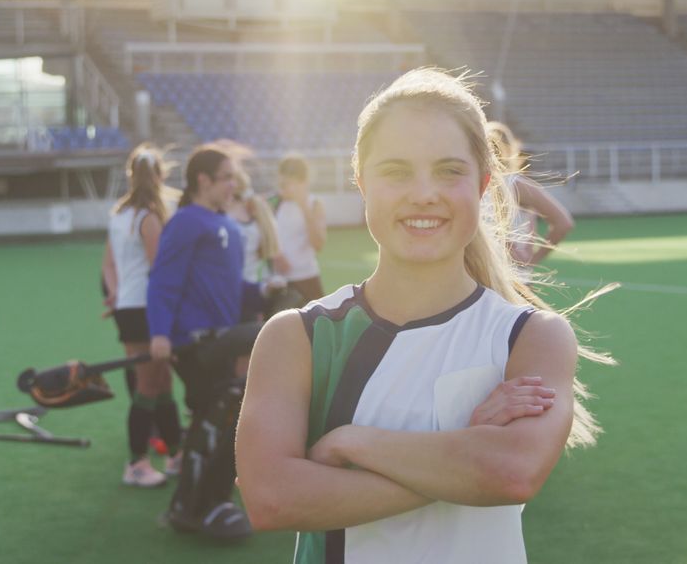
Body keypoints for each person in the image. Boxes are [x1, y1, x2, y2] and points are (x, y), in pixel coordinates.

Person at [236, 68, 613, 563]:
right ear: (360, 181)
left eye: (448, 171)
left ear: (482, 185)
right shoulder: (297, 336)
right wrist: (464, 451)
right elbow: (272, 499)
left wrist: (350, 444)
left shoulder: (532, 337)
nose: (423, 193)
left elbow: (512, 472)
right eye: (395, 171)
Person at [146, 144, 263, 539]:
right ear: (204, 181)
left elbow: (230, 286)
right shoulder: (186, 222)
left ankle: (200, 504)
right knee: (221, 412)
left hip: (223, 338)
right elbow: (163, 280)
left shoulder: (223, 224)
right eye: (227, 178)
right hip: (197, 342)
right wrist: (160, 333)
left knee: (220, 416)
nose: (234, 185)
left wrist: (263, 292)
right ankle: (197, 506)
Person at [102, 144, 182, 487]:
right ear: (160, 176)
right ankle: (136, 462)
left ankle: (176, 453)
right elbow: (159, 271)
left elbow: (107, 264)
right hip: (147, 309)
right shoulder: (149, 217)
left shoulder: (119, 214)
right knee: (150, 384)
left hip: (128, 308)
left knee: (160, 381)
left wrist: (115, 293)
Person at [486, 120, 575, 268]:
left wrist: (533, 260)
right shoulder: (479, 184)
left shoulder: (513, 183)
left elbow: (563, 223)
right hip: (489, 276)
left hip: (510, 277)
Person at [225, 170, 292, 321]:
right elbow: (280, 261)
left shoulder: (226, 217)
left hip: (232, 297)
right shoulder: (257, 215)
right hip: (254, 295)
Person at [271, 155, 327, 303]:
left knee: (316, 325)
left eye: (288, 183)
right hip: (278, 279)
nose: (283, 188)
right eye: (281, 183)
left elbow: (318, 244)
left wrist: (303, 206)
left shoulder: (314, 204)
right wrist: (275, 255)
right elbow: (262, 239)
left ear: (303, 183)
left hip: (306, 277)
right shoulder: (273, 203)